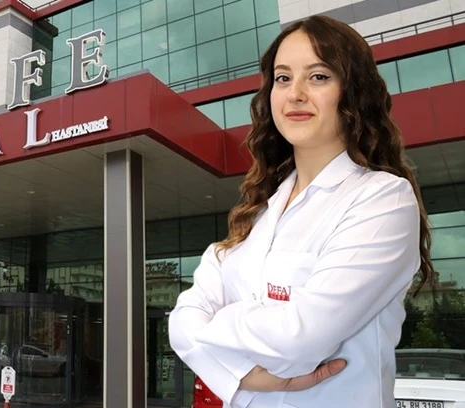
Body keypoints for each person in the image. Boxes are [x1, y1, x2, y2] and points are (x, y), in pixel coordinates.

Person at [168, 15, 434, 408]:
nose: (295, 94)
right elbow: (180, 320)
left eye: (318, 77)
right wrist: (242, 369)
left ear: (353, 92)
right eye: (283, 78)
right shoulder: (257, 212)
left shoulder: (382, 199)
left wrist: (214, 335)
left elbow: (300, 340)